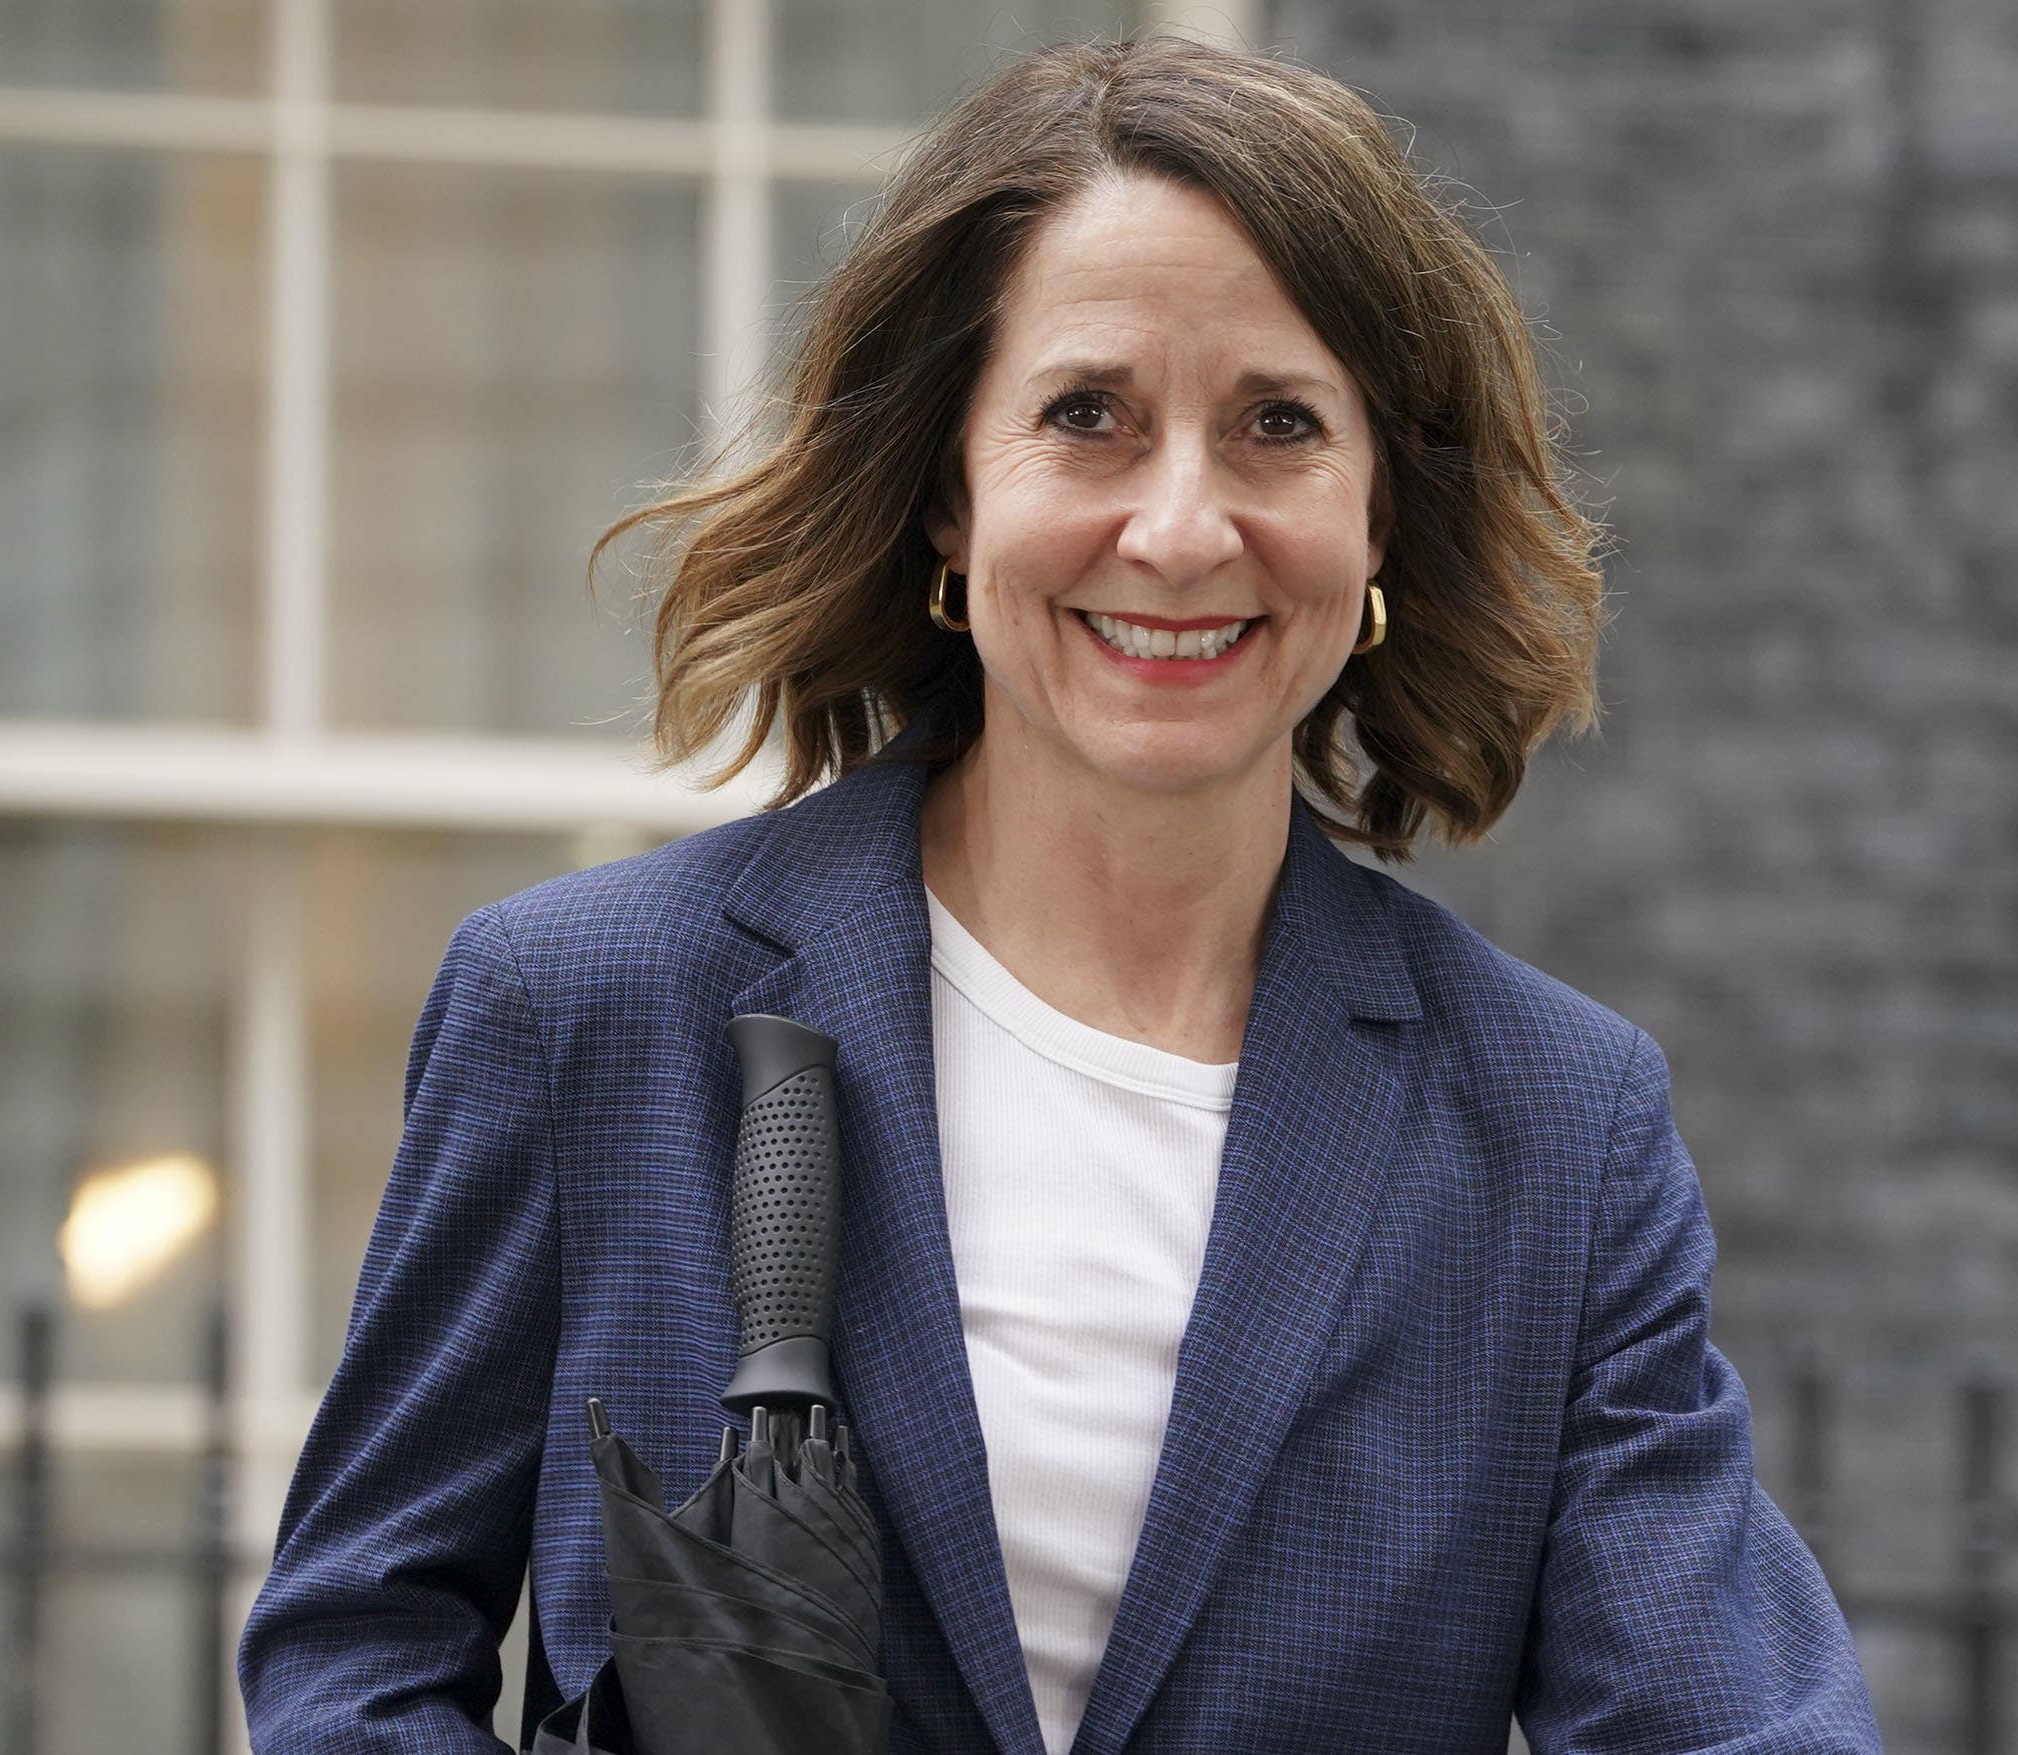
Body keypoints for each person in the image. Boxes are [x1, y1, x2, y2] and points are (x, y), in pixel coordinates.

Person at [238, 34, 1882, 1755]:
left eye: (1279, 427)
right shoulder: (583, 1008)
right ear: (951, 489)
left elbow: (1735, 1724)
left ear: (1380, 510)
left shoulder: (1559, 1128)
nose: (1181, 528)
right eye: (1087, 415)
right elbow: (355, 1660)